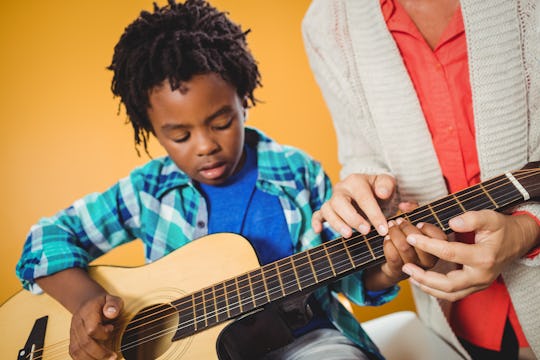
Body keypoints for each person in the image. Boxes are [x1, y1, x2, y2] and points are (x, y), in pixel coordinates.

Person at [14, 1, 442, 359]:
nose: (204, 146)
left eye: (220, 122)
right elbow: (45, 240)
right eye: (178, 135)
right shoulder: (148, 190)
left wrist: (390, 264)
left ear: (244, 100)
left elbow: (348, 277)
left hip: (304, 342)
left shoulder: (297, 173)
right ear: (150, 127)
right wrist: (87, 304)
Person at [302, 0, 540, 359]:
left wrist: (529, 229)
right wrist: (370, 195)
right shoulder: (325, 25)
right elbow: (364, 153)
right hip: (456, 326)